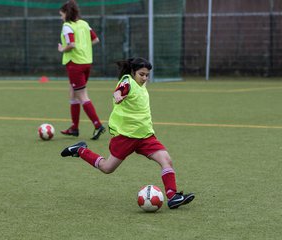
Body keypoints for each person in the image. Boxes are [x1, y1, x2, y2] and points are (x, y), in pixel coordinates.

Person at [60, 57, 195, 209]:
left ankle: (172, 197)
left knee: (166, 160)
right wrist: (118, 95)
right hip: (125, 137)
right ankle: (80, 150)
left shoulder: (141, 86)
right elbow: (119, 91)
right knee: (107, 168)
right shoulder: (127, 81)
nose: (144, 78)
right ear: (133, 72)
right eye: (141, 74)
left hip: (145, 136)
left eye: (146, 75)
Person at [58, 0, 105, 140]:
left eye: (61, 15)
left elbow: (71, 44)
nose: (61, 17)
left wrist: (62, 49)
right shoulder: (84, 24)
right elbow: (96, 40)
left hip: (75, 64)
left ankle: (98, 125)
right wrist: (84, 46)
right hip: (86, 63)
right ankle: (74, 128)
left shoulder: (67, 26)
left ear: (66, 14)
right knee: (73, 94)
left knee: (82, 96)